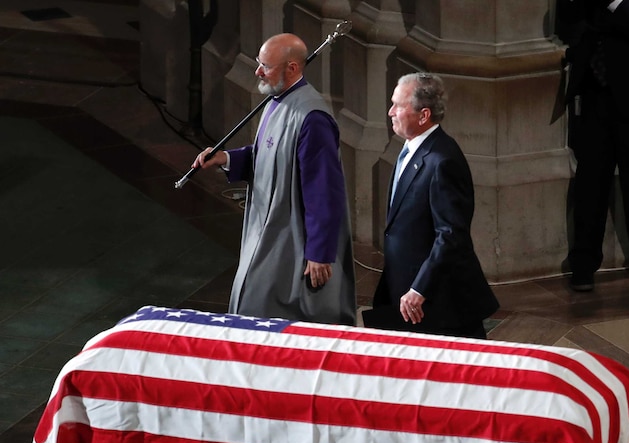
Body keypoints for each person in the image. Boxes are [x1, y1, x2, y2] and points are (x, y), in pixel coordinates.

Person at [192, 33, 356, 325]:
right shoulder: (276, 102)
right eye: (259, 63)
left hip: (290, 236)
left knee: (270, 310)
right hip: (266, 229)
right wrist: (227, 159)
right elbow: (269, 153)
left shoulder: (312, 119)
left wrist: (319, 253)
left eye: (265, 66)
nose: (258, 71)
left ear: (292, 68)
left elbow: (323, 191)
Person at [365, 73, 499, 339]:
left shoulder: (442, 160)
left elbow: (450, 234)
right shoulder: (410, 150)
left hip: (436, 300)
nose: (390, 112)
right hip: (405, 291)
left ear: (423, 115)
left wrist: (419, 289)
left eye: (398, 106)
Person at [555, 0, 629, 292]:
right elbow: (568, 20)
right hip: (597, 93)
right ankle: (583, 264)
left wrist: (614, 2)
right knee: (590, 183)